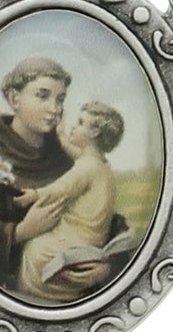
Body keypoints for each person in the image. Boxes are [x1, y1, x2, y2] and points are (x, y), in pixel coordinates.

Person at [0, 56, 78, 296]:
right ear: (14, 99)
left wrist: (104, 264)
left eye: (60, 99)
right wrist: (19, 232)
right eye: (42, 96)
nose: (55, 109)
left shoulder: (64, 159)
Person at [17, 103, 132, 303]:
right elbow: (78, 155)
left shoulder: (86, 168)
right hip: (92, 238)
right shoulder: (98, 162)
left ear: (94, 132)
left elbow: (61, 188)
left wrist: (34, 194)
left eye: (80, 123)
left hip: (77, 237)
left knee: (35, 249)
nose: (73, 126)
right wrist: (62, 137)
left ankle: (39, 296)